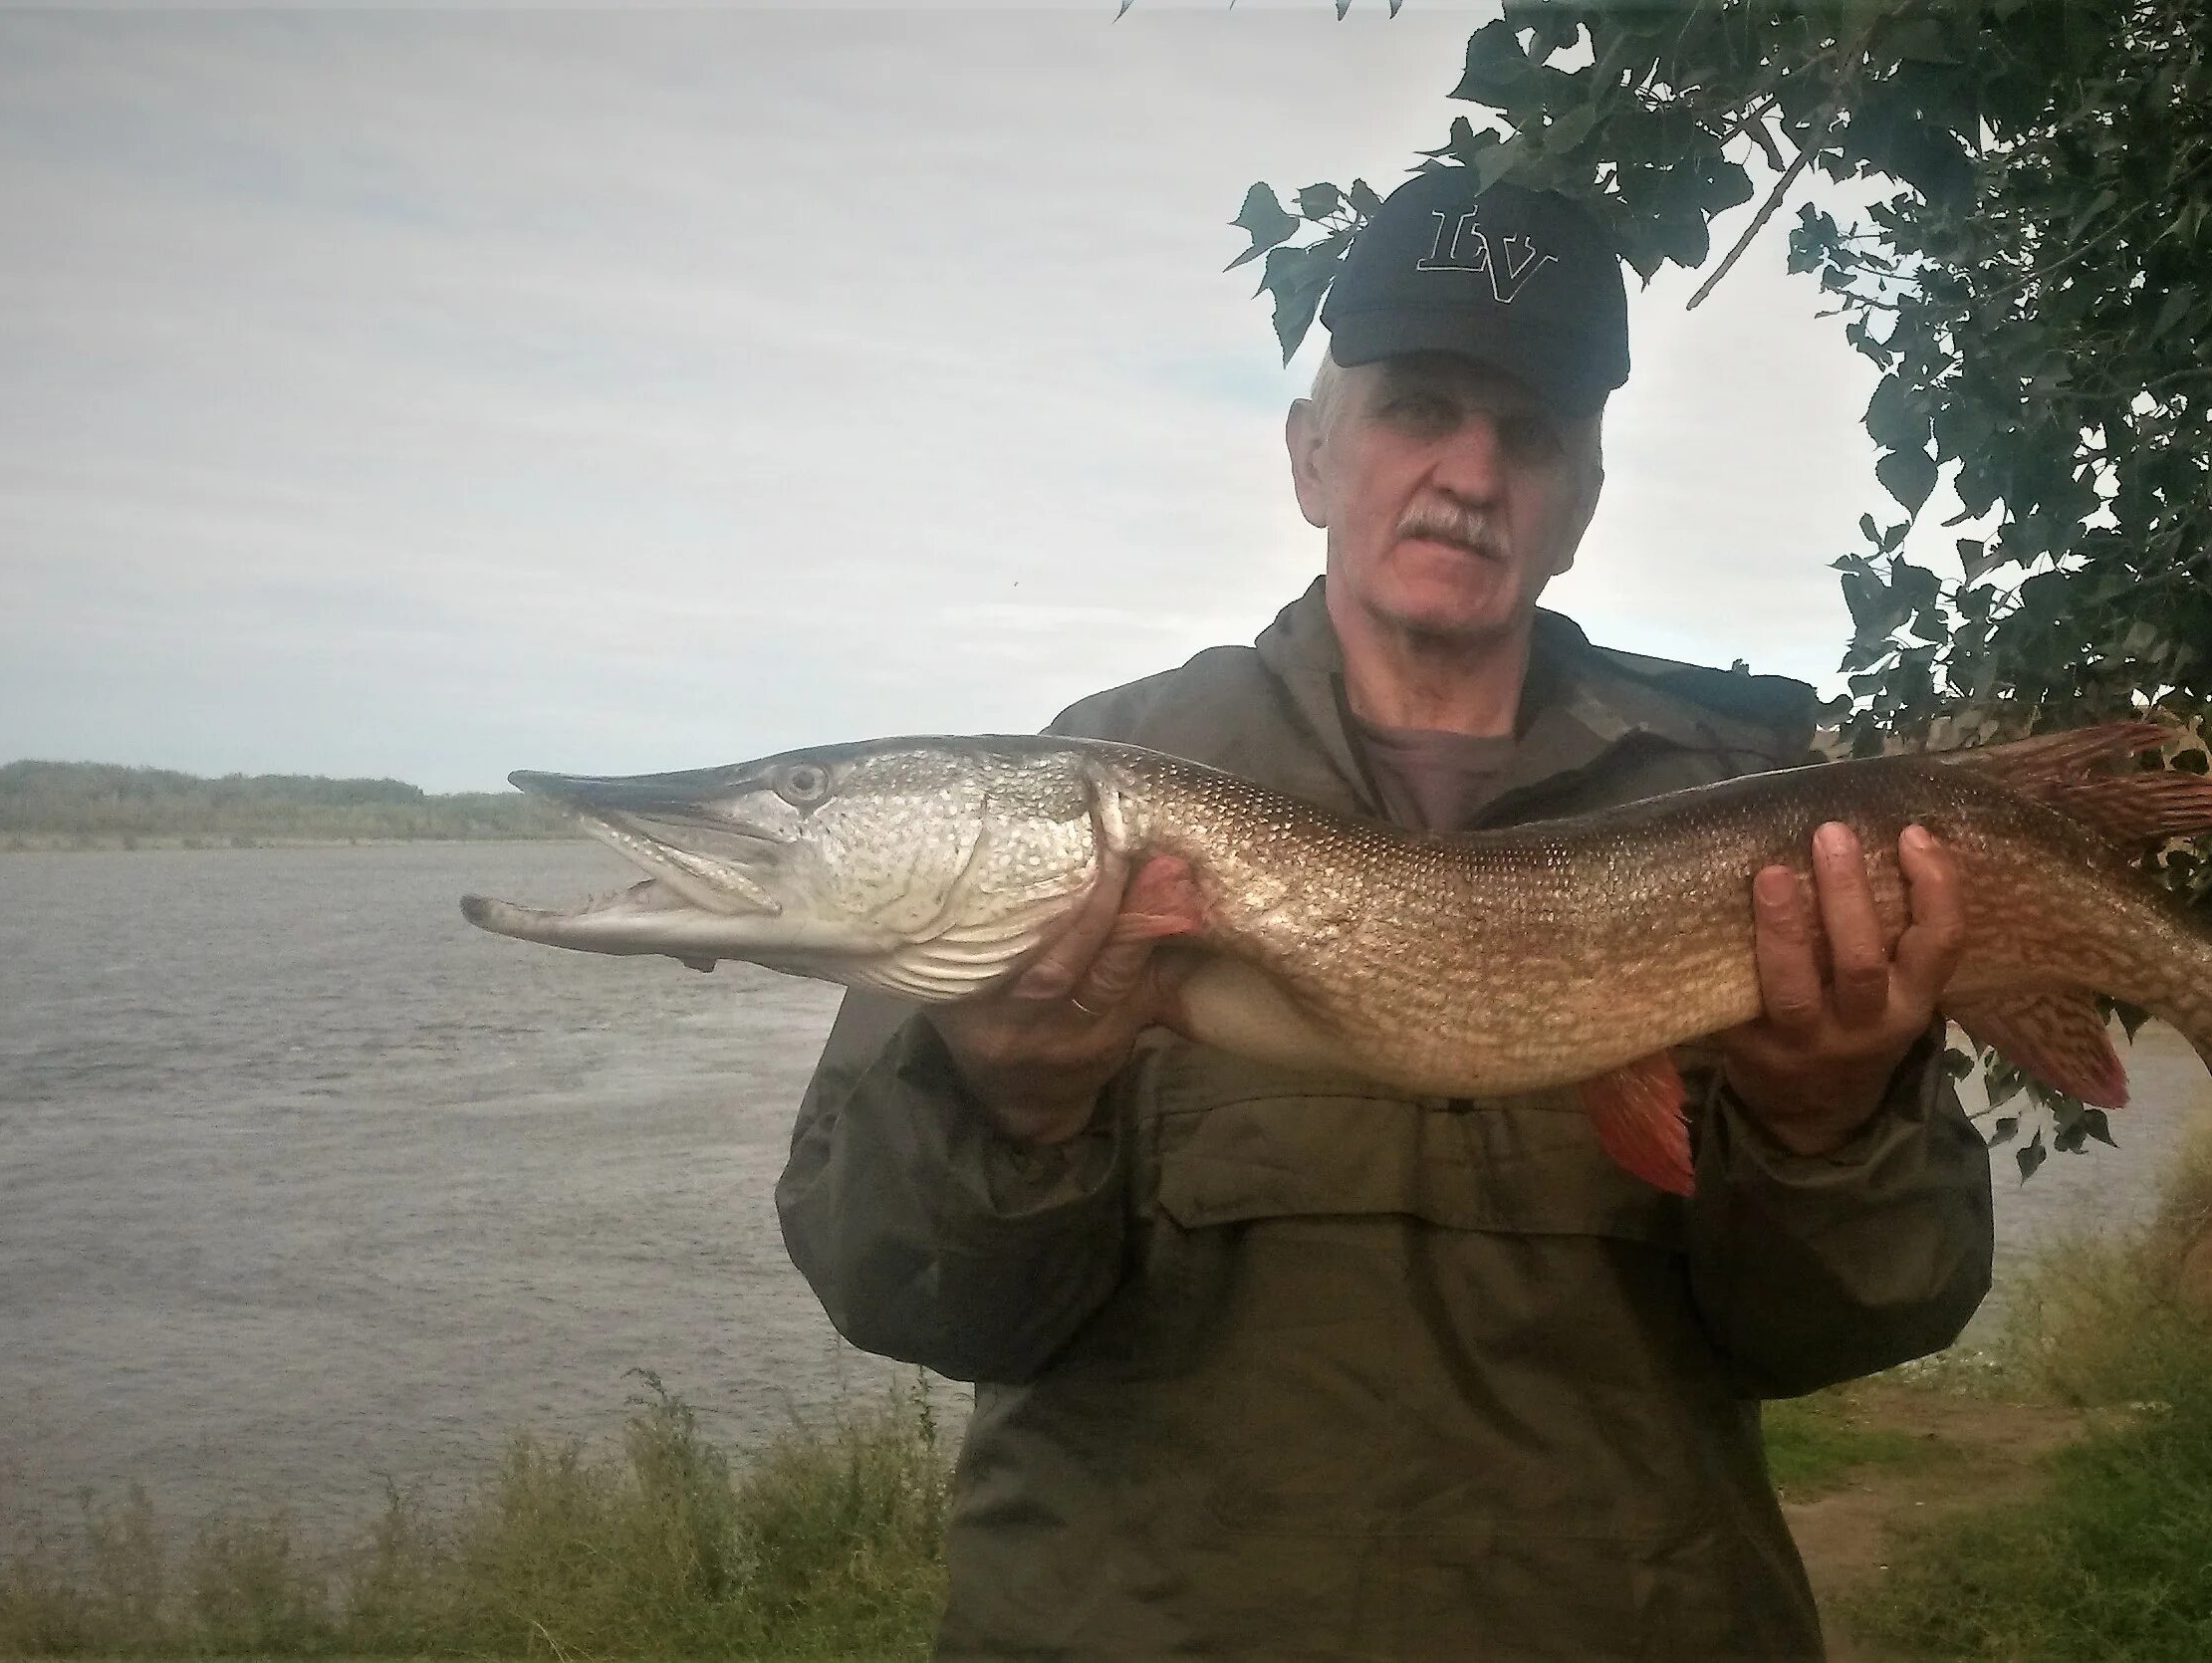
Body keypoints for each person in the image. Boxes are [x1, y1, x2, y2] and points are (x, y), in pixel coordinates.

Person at [778, 166, 1995, 1660]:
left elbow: (1854, 1324)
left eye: (1529, 434)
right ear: (1310, 453)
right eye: (1419, 407)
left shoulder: (1745, 813)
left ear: (1582, 505)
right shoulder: (1087, 798)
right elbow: (905, 1295)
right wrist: (1005, 1108)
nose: (1472, 475)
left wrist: (1828, 1126)